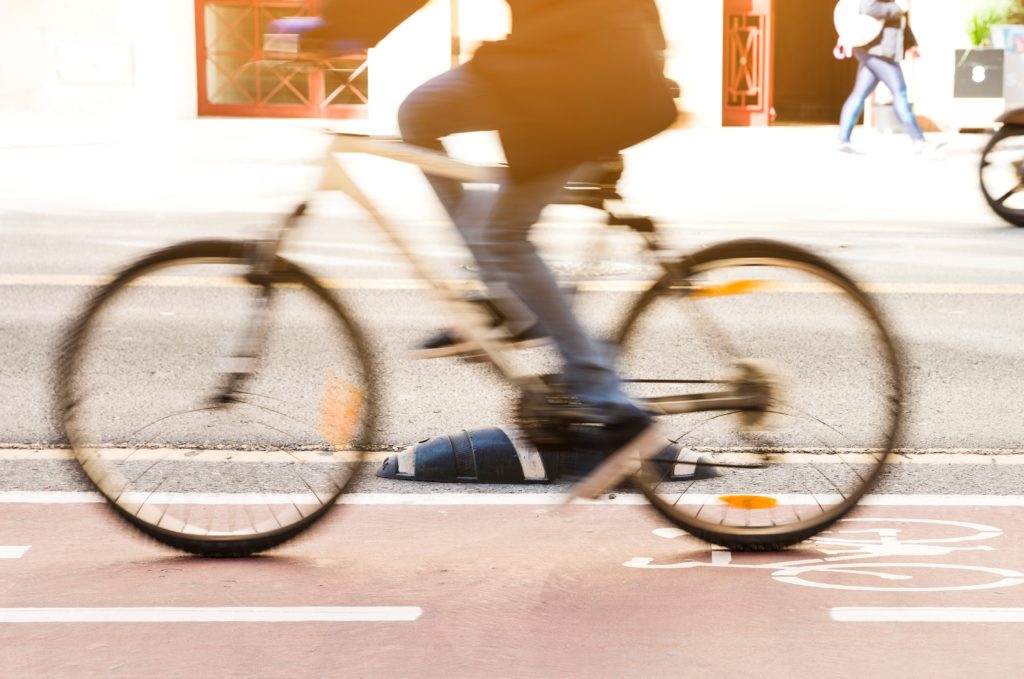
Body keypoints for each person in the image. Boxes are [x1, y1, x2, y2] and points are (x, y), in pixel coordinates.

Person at [274, 1, 677, 482]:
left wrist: (331, 29)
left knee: (503, 235)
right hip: (578, 65)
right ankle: (509, 301)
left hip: (573, 73)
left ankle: (602, 394)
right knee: (423, 119)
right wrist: (653, 60)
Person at [834, 0, 932, 153]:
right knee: (900, 92)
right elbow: (868, 6)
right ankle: (918, 140)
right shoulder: (897, 5)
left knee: (859, 95)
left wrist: (911, 43)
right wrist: (897, 8)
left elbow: (901, 21)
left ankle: (843, 141)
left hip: (878, 51)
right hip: (877, 51)